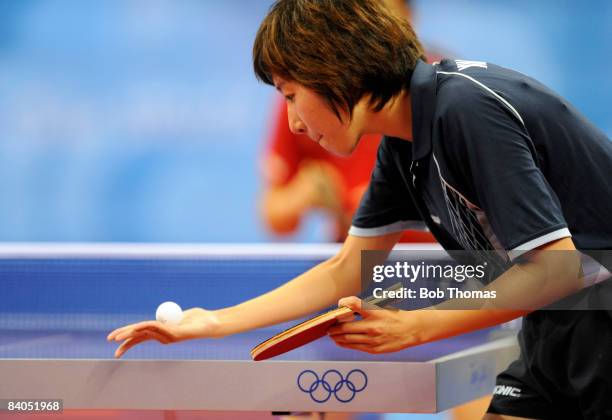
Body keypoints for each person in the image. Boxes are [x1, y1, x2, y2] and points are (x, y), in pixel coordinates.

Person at [108, 1, 612, 418]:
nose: (295, 122)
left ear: (332, 70)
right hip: (560, 324)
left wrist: (418, 325)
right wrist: (213, 323)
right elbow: (346, 268)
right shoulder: (403, 142)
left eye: (291, 95)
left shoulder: (464, 110)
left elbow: (555, 268)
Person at [259, 0, 439, 243]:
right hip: (360, 264)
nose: (369, 24)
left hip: (443, 269)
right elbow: (275, 215)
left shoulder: (443, 94)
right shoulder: (308, 100)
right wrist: (303, 194)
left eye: (379, 12)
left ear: (407, 18)